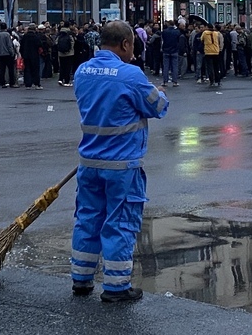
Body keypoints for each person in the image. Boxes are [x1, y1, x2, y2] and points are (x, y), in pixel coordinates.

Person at [70, 21, 169, 303]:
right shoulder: (131, 75)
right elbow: (158, 107)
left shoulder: (83, 71)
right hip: (122, 166)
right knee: (120, 224)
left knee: (87, 219)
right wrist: (159, 91)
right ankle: (115, 287)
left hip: (89, 162)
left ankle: (81, 279)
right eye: (133, 46)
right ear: (126, 43)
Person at [20, 23, 43, 90]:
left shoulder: (25, 36)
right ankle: (36, 84)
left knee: (27, 69)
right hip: (34, 55)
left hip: (26, 55)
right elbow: (40, 45)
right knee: (35, 70)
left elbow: (21, 46)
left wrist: (23, 54)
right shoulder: (36, 36)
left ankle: (28, 84)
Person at [0, 22, 18, 88]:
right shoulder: (7, 35)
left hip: (0, 54)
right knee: (11, 69)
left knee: (1, 69)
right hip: (7, 54)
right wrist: (12, 53)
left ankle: (2, 83)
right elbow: (9, 45)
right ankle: (12, 83)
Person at [160, 21, 180, 86]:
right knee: (174, 66)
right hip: (174, 50)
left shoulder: (164, 32)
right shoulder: (177, 32)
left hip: (166, 50)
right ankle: (175, 82)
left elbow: (163, 40)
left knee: (166, 66)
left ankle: (165, 81)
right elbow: (178, 40)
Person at [57, 22, 76, 86]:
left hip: (60, 53)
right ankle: (67, 81)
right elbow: (72, 42)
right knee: (68, 67)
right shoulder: (70, 33)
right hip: (69, 53)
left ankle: (60, 79)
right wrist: (70, 49)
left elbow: (56, 42)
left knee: (62, 67)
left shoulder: (59, 33)